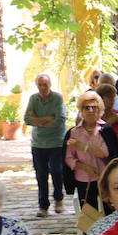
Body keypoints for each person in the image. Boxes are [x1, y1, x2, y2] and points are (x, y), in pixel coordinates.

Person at [63, 91, 118, 209]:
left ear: (100, 110)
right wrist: (85, 167)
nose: (91, 110)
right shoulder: (73, 132)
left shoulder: (106, 130)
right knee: (88, 214)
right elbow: (68, 158)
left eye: (94, 107)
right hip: (83, 178)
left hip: (104, 178)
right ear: (81, 110)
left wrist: (82, 146)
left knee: (109, 211)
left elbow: (105, 153)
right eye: (87, 107)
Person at [25, 73, 67, 216]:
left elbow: (60, 119)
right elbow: (27, 119)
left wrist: (37, 119)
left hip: (56, 142)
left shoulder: (57, 98)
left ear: (50, 85)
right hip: (38, 143)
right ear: (37, 85)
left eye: (45, 84)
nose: (43, 87)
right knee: (41, 175)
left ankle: (59, 199)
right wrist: (47, 119)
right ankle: (43, 206)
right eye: (40, 85)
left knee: (56, 171)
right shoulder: (33, 99)